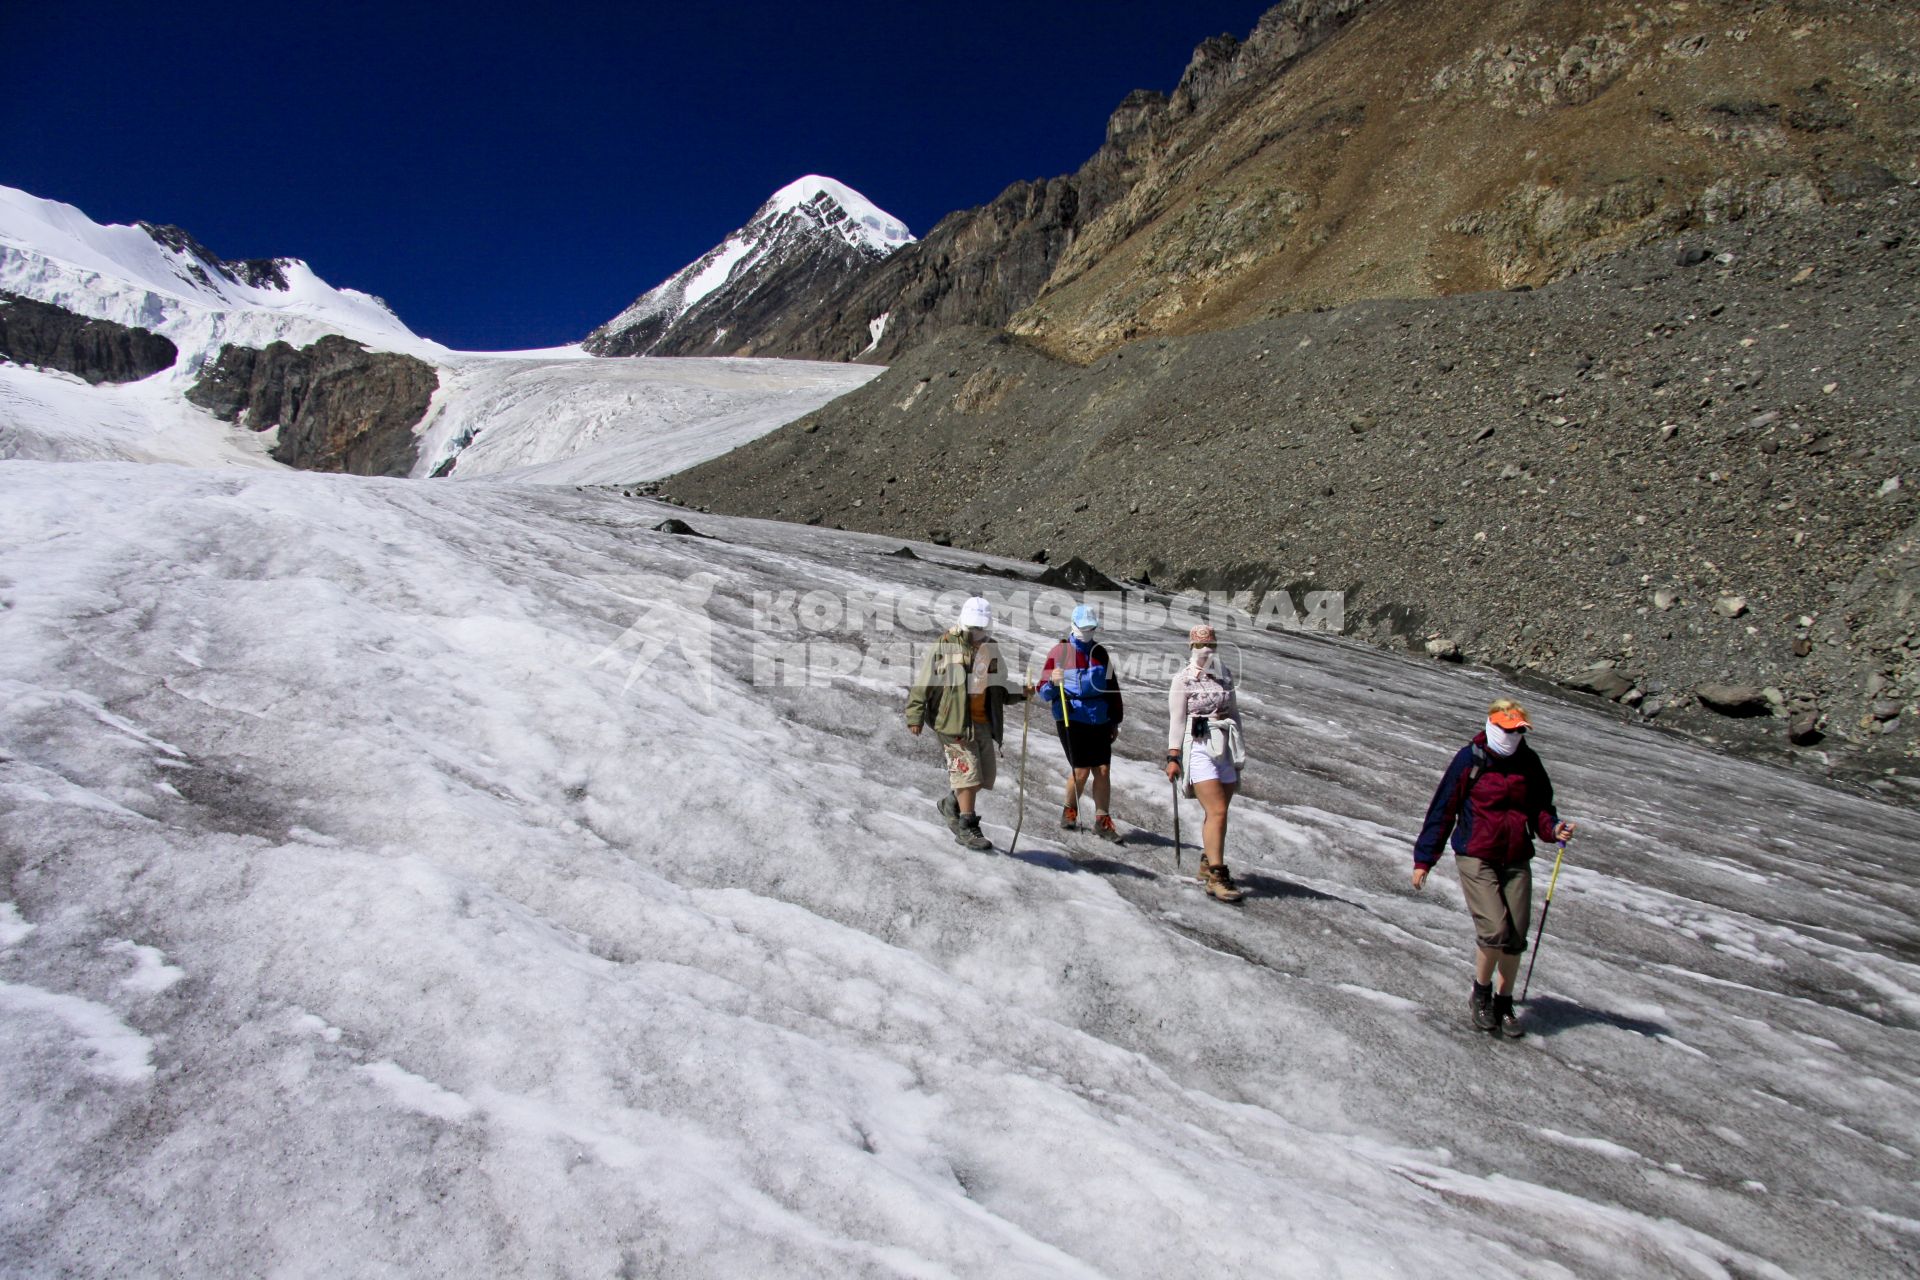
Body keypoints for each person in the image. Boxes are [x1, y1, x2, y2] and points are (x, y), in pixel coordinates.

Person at [1412, 698, 1576, 1038]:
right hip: (1477, 854)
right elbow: (1443, 809)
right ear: (1491, 724)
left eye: (1517, 730)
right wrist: (1424, 859)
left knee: (1515, 936)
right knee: (1495, 929)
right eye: (1506, 728)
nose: (1512, 734)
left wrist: (1553, 829)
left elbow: (1541, 809)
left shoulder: (1528, 763)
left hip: (1516, 856)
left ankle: (1504, 1002)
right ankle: (1481, 993)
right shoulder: (1470, 759)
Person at [906, 596, 1020, 852]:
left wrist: (1023, 692)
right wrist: (915, 714)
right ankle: (967, 827)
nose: (977, 633)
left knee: (982, 778)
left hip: (982, 722)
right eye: (973, 628)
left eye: (981, 628)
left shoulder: (992, 648)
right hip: (953, 723)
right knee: (967, 777)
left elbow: (999, 687)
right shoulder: (945, 645)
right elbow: (925, 681)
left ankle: (951, 803)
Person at [1165, 625, 1247, 902]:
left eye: (1211, 645)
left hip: (1223, 744)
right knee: (1217, 810)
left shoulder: (1224, 676)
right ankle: (1217, 875)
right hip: (1198, 744)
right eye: (1200, 646)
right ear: (1191, 647)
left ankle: (1207, 859)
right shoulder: (1183, 680)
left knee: (1218, 813)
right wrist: (1173, 756)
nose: (1206, 651)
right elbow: (1176, 721)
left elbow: (1234, 712)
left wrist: (1238, 749)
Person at [1033, 603, 1126, 841]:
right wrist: (1053, 683)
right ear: (1073, 626)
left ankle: (1102, 821)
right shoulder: (1059, 653)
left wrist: (1114, 720)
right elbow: (1043, 692)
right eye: (1083, 627)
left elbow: (1111, 688)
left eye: (1091, 628)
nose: (1087, 632)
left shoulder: (1100, 654)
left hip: (1099, 717)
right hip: (1071, 716)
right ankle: (1070, 812)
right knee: (1082, 770)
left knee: (1103, 770)